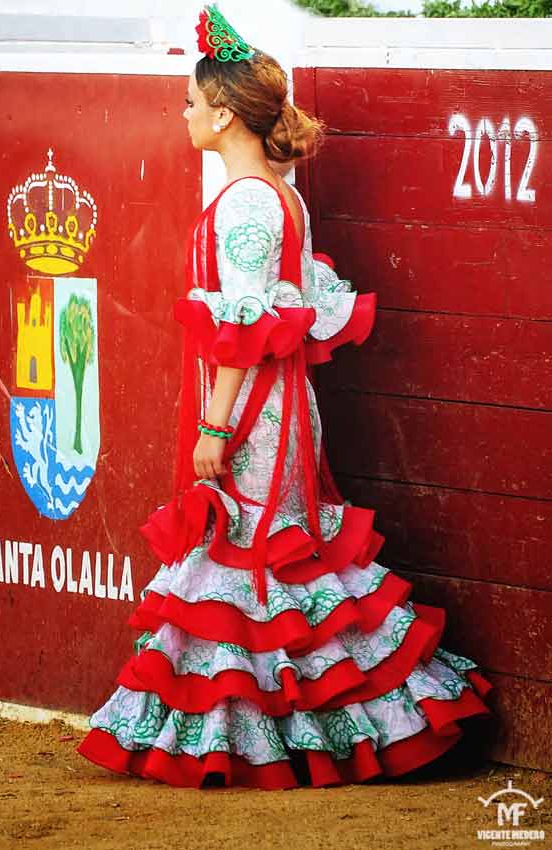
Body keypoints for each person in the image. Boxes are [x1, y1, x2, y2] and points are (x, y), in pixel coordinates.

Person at [76, 4, 495, 790]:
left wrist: (213, 425)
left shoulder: (243, 202)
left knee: (254, 555)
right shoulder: (281, 198)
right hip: (281, 408)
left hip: (253, 413)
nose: (186, 114)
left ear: (225, 111)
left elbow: (243, 329)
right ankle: (310, 730)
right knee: (269, 558)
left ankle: (283, 737)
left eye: (194, 102)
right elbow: (287, 315)